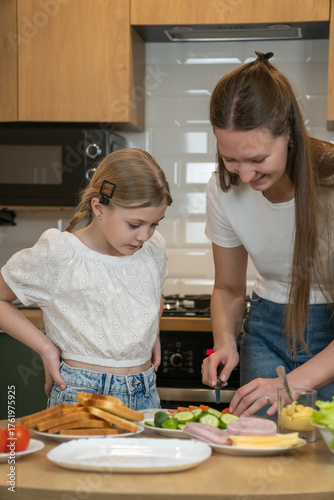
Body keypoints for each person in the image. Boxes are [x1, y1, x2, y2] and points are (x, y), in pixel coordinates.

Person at [201, 51, 334, 417]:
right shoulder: (222, 189)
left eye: (258, 159)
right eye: (230, 159)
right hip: (265, 328)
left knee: (323, 460)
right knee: (259, 453)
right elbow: (228, 287)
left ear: (289, 135)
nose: (244, 177)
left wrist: (292, 384)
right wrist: (225, 342)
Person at [0, 148, 173, 411]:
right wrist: (46, 348)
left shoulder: (153, 249)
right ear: (99, 208)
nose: (144, 236)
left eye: (154, 224)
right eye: (135, 224)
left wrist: (152, 334)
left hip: (145, 392)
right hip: (82, 395)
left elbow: (152, 294)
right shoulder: (61, 253)